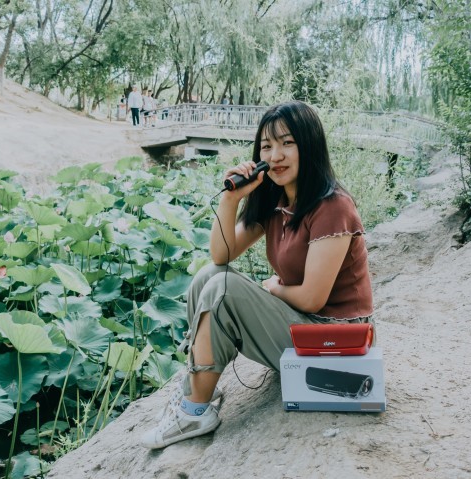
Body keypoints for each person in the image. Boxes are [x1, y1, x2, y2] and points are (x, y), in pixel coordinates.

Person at [140, 100, 374, 449]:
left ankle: (193, 412)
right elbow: (221, 254)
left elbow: (313, 298)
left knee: (223, 288)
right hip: (302, 321)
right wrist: (232, 198)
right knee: (209, 276)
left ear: (309, 146)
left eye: (287, 143)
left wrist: (275, 288)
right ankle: (201, 381)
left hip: (336, 335)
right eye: (267, 146)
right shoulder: (277, 200)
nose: (275, 155)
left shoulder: (333, 206)